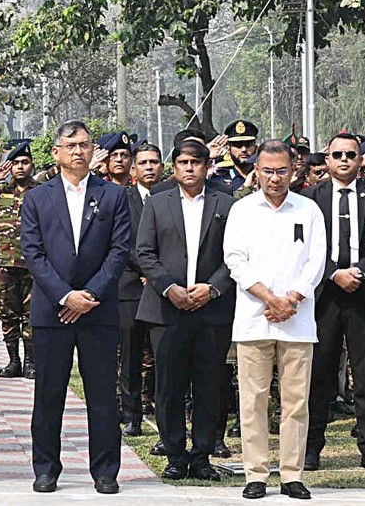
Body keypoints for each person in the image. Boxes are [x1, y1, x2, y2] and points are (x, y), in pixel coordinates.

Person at [21, 120, 131, 495]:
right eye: (70, 145)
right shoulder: (37, 197)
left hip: (98, 310)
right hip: (52, 311)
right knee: (49, 394)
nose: (78, 151)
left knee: (101, 394)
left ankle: (104, 470)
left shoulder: (113, 196)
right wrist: (66, 296)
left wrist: (89, 296)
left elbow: (119, 252)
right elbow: (33, 253)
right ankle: (46, 468)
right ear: (56, 152)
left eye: (85, 144)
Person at [223, 139, 326, 501]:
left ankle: (292, 474)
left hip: (298, 319)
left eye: (282, 171)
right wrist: (269, 298)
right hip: (254, 318)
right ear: (257, 171)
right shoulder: (243, 210)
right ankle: (255, 473)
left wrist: (292, 298)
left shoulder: (308, 209)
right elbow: (235, 260)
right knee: (253, 400)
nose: (275, 178)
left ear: (293, 170)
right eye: (267, 171)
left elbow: (316, 261)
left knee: (296, 401)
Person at [135, 140, 235, 481]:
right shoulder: (157, 203)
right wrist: (168, 287)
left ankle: (202, 454)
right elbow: (144, 252)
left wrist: (213, 288)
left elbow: (235, 255)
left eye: (196, 162)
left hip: (212, 310)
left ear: (207, 166)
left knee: (209, 384)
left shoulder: (226, 203)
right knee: (170, 386)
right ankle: (175, 454)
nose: (189, 168)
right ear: (173, 167)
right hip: (167, 310)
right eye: (182, 162)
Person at [301, 133, 365, 472]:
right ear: (326, 160)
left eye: (351, 154)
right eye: (337, 154)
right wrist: (333, 273)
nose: (344, 160)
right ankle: (311, 447)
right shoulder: (310, 197)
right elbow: (304, 246)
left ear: (361, 159)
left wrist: (361, 271)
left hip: (364, 293)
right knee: (320, 373)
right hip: (325, 296)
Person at [0, 141, 38, 380]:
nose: (20, 167)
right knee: (8, 314)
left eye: (24, 163)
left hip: (33, 264)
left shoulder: (41, 191)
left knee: (31, 314)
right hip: (5, 263)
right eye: (15, 163)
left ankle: (30, 361)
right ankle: (13, 360)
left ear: (31, 165)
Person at [119, 141, 162, 438]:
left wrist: (160, 276)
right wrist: (148, 271)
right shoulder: (123, 199)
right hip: (131, 286)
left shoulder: (171, 197)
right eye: (143, 162)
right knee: (130, 356)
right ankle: (131, 415)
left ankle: (162, 413)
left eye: (154, 162)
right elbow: (122, 243)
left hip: (163, 288)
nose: (149, 167)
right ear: (133, 169)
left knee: (163, 355)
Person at [212, 120, 259, 193]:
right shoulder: (218, 180)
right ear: (228, 149)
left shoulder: (264, 176)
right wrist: (206, 156)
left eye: (248, 145)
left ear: (256, 148)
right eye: (238, 145)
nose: (244, 149)